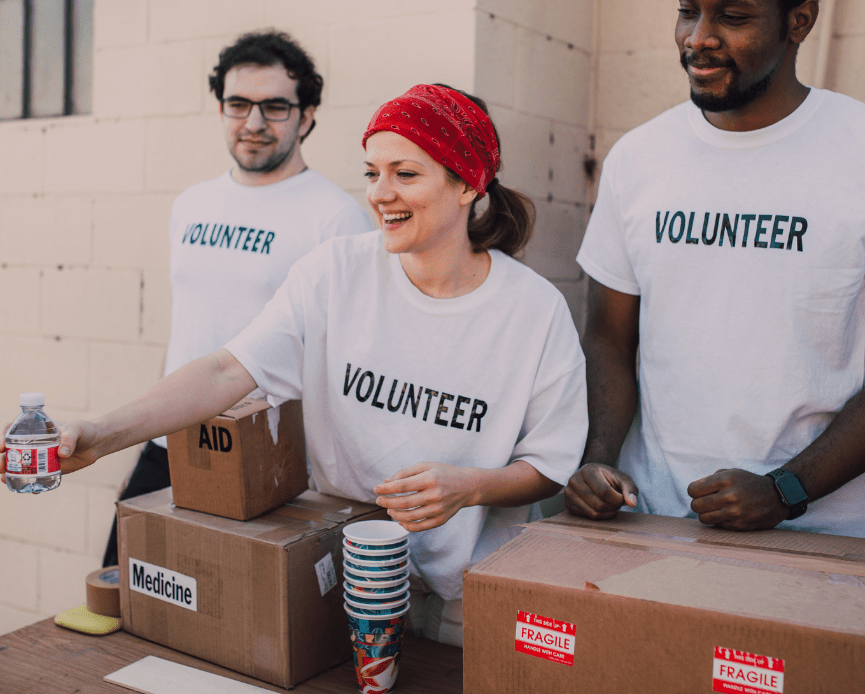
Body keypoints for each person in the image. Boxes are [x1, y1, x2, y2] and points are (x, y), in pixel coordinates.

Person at [14, 84, 588, 647]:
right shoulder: (335, 273)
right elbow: (224, 372)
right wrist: (100, 434)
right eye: (372, 172)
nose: (380, 193)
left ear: (467, 184)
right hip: (341, 580)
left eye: (405, 174)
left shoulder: (534, 311)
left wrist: (472, 486)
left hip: (467, 603)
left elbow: (549, 463)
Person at [564, 0, 865, 539]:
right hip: (651, 519)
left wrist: (785, 490)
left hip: (819, 533)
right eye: (688, 10)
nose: (697, 37)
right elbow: (608, 337)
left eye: (732, 16)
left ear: (801, 20)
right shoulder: (638, 158)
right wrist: (599, 457)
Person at [102, 30, 372, 567]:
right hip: (171, 436)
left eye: (274, 106)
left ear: (308, 114)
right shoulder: (192, 204)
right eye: (238, 105)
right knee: (122, 584)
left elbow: (348, 353)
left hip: (266, 457)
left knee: (230, 615)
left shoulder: (336, 216)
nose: (253, 123)